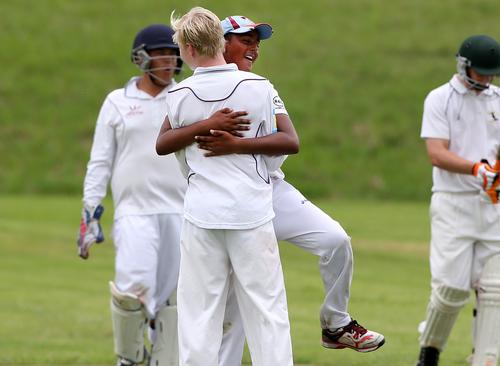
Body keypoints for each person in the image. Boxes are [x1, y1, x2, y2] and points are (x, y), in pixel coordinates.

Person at [155, 15, 385, 362]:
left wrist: (233, 144)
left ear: (190, 48)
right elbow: (166, 142)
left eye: (256, 41)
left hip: (258, 192)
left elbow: (289, 141)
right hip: (237, 207)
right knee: (248, 311)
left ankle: (336, 323)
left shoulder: (245, 87)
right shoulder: (245, 88)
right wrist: (214, 129)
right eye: (245, 39)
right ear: (221, 41)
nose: (253, 47)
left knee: (335, 240)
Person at [167, 7, 295, 366]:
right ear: (219, 43)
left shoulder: (180, 94)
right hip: (251, 211)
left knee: (199, 313)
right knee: (266, 309)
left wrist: (201, 128)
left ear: (189, 49)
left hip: (201, 214)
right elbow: (284, 147)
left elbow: (164, 145)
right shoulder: (259, 87)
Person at [78, 24, 186, 366]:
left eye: (173, 55)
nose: (169, 62)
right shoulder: (117, 101)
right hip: (134, 212)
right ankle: (129, 359)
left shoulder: (186, 97)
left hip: (182, 213)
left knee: (174, 302)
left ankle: (163, 361)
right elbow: (100, 162)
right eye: (161, 55)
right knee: (131, 291)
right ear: (141, 58)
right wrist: (89, 214)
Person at [416, 34, 500, 366]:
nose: (488, 79)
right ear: (464, 66)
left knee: (496, 289)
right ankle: (429, 350)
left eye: (493, 73)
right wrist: (476, 168)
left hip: (495, 204)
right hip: (453, 202)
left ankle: (485, 360)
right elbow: (436, 153)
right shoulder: (440, 98)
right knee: (451, 290)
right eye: (482, 72)